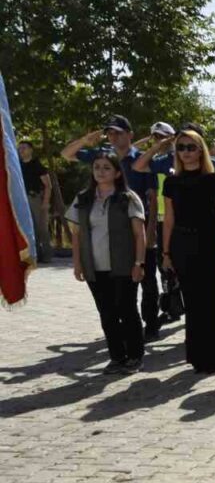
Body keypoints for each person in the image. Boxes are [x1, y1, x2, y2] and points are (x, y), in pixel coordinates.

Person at [60, 115, 161, 338]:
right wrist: (85, 140)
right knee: (121, 291)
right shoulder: (104, 158)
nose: (114, 137)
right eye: (110, 133)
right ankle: (124, 330)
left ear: (130, 135)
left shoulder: (141, 160)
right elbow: (66, 154)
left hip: (138, 229)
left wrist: (152, 230)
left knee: (147, 279)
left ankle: (151, 323)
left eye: (118, 132)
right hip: (111, 234)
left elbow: (152, 198)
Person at [160, 129, 215, 374]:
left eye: (191, 147)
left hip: (211, 244)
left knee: (212, 301)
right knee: (192, 303)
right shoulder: (171, 182)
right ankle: (198, 355)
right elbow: (168, 219)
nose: (186, 152)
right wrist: (166, 253)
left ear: (200, 150)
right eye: (181, 147)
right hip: (182, 245)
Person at [67, 152, 147, 372]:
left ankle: (135, 356)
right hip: (95, 267)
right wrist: (78, 264)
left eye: (106, 168)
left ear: (117, 173)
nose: (100, 171)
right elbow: (76, 234)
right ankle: (117, 357)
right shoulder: (83, 198)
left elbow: (139, 235)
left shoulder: (128, 198)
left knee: (127, 311)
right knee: (107, 313)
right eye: (97, 167)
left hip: (123, 265)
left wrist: (139, 263)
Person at [17, 141, 52, 262]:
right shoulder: (18, 165)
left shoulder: (37, 165)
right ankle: (36, 255)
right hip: (22, 199)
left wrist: (45, 202)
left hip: (36, 198)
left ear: (31, 150)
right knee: (29, 228)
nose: (21, 150)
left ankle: (47, 255)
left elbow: (48, 185)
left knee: (41, 227)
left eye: (24, 148)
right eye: (20, 148)